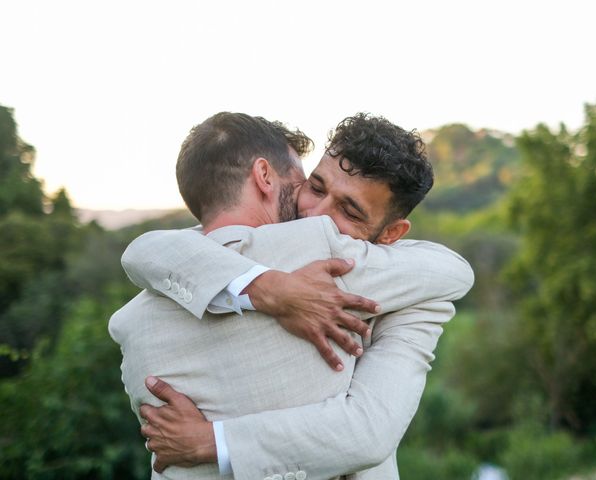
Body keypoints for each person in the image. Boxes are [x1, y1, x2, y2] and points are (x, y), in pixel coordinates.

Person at [110, 112, 473, 480]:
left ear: (392, 233)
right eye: (315, 187)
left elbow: (367, 431)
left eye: (348, 210)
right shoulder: (213, 259)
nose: (315, 215)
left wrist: (213, 442)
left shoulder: (407, 291)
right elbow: (152, 250)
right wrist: (266, 286)